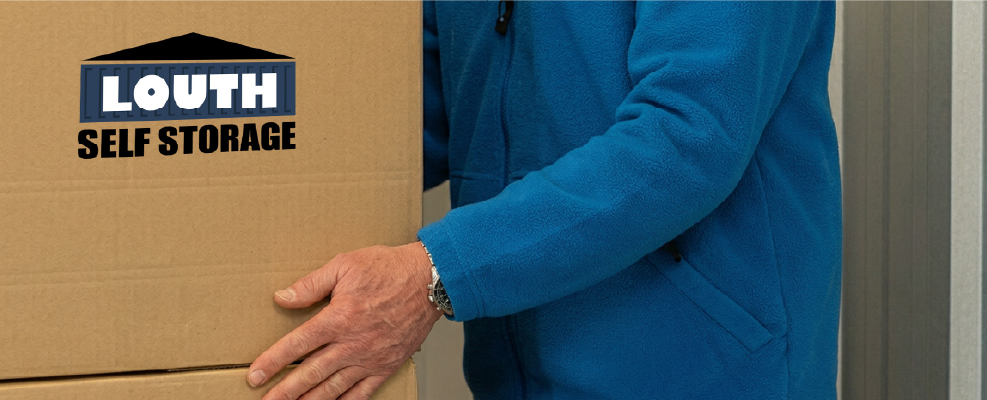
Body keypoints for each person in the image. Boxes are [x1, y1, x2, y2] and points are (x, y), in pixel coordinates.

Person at [248, 1, 841, 399]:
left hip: (700, 370)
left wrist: (440, 271)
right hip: (518, 373)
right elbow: (416, 119)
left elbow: (689, 135)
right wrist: (230, 177)